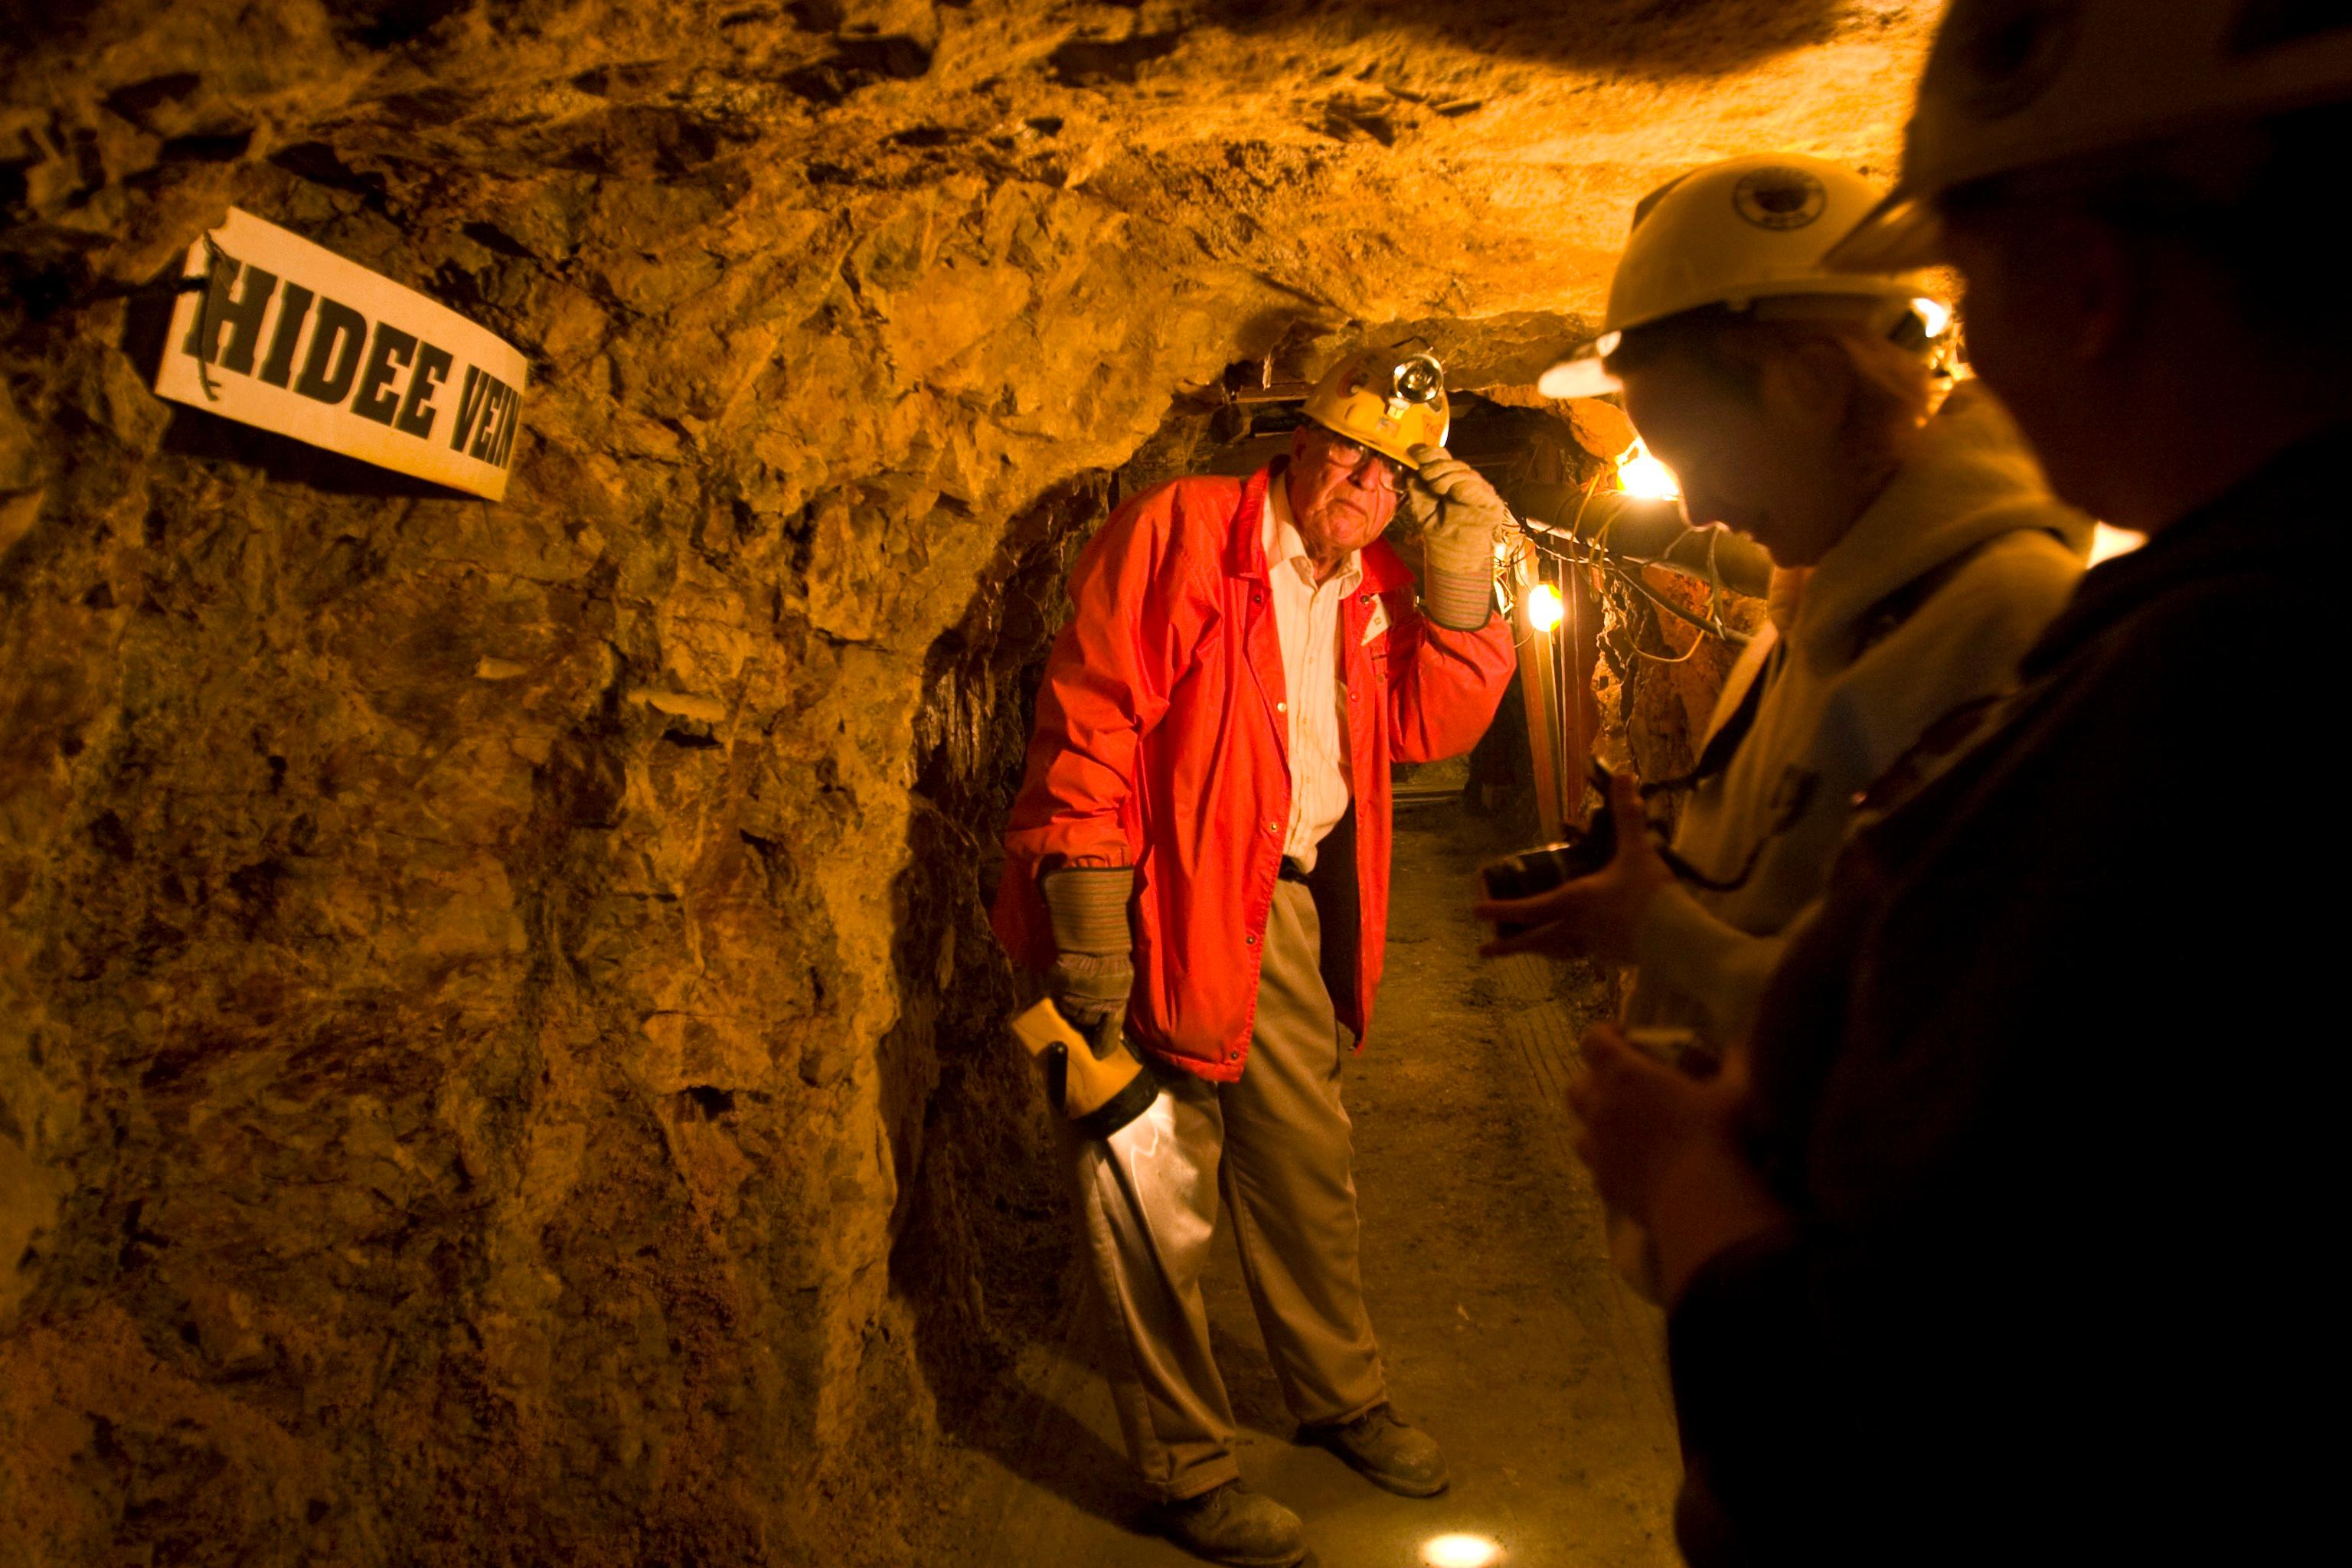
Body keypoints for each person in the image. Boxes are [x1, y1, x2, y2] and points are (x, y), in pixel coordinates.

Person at [1559, 5, 2352, 1563]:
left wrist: (1697, 1175)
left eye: (1971, 287)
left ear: (2087, 280)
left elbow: (1909, 1411)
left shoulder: (2191, 689)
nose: (1964, 349)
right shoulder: (2208, 633)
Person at [991, 345, 1517, 1566]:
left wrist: (1460, 580)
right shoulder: (1184, 529)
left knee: (1304, 1165)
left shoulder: (1371, 581)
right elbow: (1095, 710)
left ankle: (1341, 1398)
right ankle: (1189, 1469)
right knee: (1145, 1185)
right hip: (1140, 902)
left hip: (1278, 906)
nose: (1369, 482)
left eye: (1395, 471)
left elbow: (1429, 730)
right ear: (1301, 438)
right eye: (1352, 450)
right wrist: (1084, 923)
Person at [1485, 153, 2089, 1054]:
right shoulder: (1818, 594)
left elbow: (1957, 1036)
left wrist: (1666, 939)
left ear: (1812, 385)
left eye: (1698, 452)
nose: (1692, 511)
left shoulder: (2006, 624)